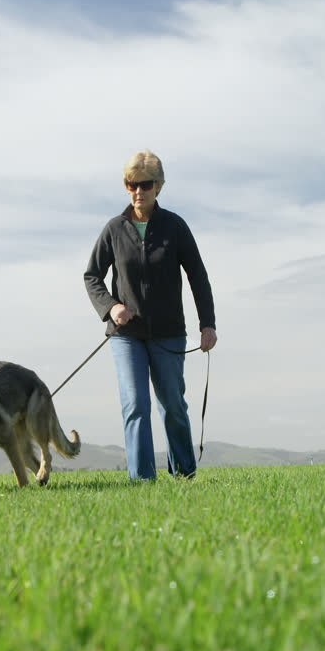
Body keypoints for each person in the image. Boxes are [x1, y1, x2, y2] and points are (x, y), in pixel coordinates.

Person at [84, 150, 217, 481]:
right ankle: (142, 483)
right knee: (135, 407)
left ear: (158, 186)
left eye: (145, 185)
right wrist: (111, 306)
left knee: (172, 405)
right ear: (126, 187)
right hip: (126, 336)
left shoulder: (175, 226)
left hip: (169, 332)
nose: (138, 192)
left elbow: (197, 276)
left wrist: (208, 324)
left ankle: (184, 475)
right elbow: (92, 276)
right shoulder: (114, 229)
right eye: (131, 185)